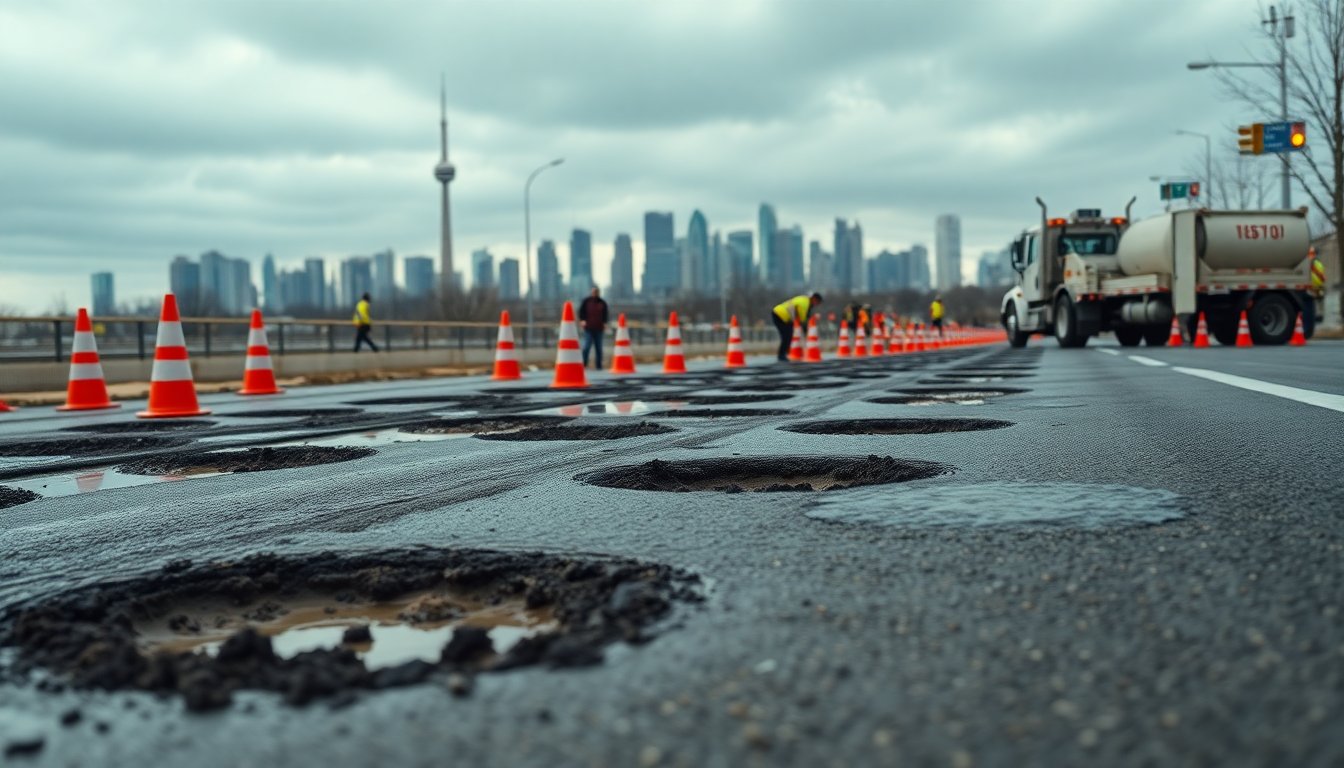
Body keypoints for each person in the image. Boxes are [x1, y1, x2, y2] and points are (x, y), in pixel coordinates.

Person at [772, 292, 823, 361]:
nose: (816, 305)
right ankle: (781, 355)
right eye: (817, 302)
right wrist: (806, 332)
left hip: (781, 314)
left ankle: (784, 353)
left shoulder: (804, 299)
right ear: (814, 299)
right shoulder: (805, 304)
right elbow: (803, 320)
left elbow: (802, 315)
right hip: (781, 315)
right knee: (787, 336)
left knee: (788, 335)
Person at [577, 286, 609, 369]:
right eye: (593, 291)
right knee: (586, 346)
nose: (595, 293)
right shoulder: (586, 301)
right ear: (591, 292)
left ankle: (599, 365)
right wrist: (582, 320)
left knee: (599, 348)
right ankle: (584, 364)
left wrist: (605, 323)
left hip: (599, 328)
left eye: (596, 292)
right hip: (589, 328)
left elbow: (605, 315)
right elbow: (581, 312)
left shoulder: (602, 302)